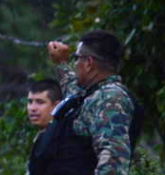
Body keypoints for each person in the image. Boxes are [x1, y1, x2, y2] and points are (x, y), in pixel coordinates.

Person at [30, 31, 141, 175]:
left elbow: (113, 161)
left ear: (88, 63)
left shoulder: (111, 98)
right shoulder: (92, 94)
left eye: (76, 58)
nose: (74, 64)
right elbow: (73, 92)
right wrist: (60, 63)